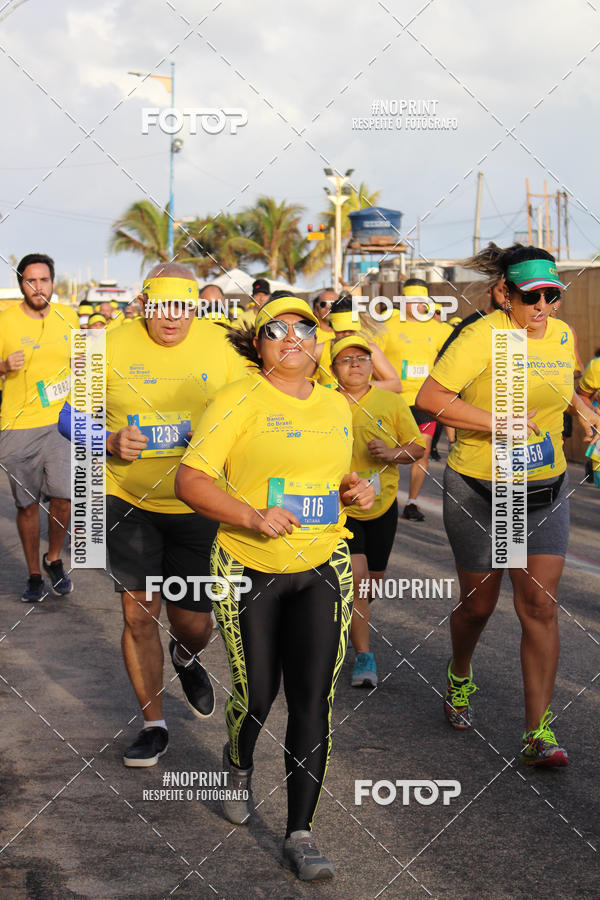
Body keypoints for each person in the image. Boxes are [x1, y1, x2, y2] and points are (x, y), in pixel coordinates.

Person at [175, 294, 375, 881]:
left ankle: (300, 833)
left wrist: (352, 489)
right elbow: (191, 480)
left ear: (320, 339)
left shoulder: (337, 405)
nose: (293, 337)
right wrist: (250, 515)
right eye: (275, 330)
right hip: (248, 564)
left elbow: (329, 473)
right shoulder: (236, 398)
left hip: (322, 564)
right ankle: (237, 763)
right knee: (258, 693)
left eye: (304, 327)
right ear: (257, 345)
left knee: (313, 698)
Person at [416, 243, 600, 767]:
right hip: (481, 487)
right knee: (478, 606)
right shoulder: (479, 338)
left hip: (541, 487)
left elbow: (562, 381)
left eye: (553, 296)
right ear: (504, 294)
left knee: (539, 605)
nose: (543, 308)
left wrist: (584, 410)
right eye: (532, 297)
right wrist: (501, 423)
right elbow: (431, 400)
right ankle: (459, 674)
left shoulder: (561, 335)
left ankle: (539, 732)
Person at [60, 264, 248, 767]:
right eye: (162, 306)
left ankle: (186, 656)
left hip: (199, 503)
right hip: (126, 500)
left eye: (183, 307)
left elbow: (251, 410)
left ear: (195, 308)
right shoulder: (105, 344)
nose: (172, 318)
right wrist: (106, 440)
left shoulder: (223, 345)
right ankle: (153, 724)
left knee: (193, 622)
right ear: (144, 304)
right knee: (138, 614)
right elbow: (67, 415)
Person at [331, 335, 425, 687]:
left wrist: (391, 454)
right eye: (345, 359)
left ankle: (353, 624)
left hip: (382, 505)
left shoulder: (390, 401)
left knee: (370, 588)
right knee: (355, 584)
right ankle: (364, 658)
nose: (355, 364)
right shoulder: (324, 402)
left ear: (373, 366)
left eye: (362, 358)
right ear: (332, 369)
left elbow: (416, 447)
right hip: (341, 509)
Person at [0, 253, 78, 601]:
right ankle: (34, 574)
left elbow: (87, 360)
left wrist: (83, 360)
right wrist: (3, 364)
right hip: (17, 426)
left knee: (63, 496)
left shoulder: (69, 316)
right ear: (22, 284)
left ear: (53, 282)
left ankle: (53, 558)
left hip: (61, 421)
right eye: (31, 281)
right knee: (27, 505)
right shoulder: (4, 322)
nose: (38, 287)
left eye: (43, 280)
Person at [381, 279, 451, 521]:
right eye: (413, 301)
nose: (419, 305)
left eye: (423, 301)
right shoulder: (387, 325)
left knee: (422, 451)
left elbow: (462, 344)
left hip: (422, 401)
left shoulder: (437, 328)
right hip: (392, 399)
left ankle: (412, 502)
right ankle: (381, 498)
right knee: (385, 452)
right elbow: (370, 354)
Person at [314, 294, 402, 393]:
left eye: (351, 330)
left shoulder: (370, 349)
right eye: (341, 330)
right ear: (332, 326)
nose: (347, 334)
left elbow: (396, 385)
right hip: (332, 407)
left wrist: (357, 385)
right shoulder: (319, 350)